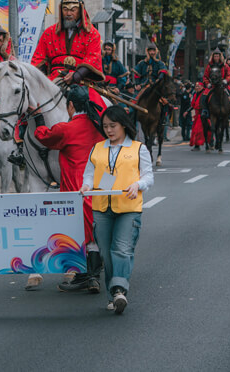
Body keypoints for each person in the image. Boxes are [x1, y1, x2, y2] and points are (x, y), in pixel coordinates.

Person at [80, 105, 154, 315]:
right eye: (105, 126)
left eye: (113, 126)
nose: (109, 130)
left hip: (128, 207)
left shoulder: (139, 148)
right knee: (106, 252)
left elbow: (148, 176)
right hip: (101, 207)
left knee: (122, 249)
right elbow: (89, 174)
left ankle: (119, 290)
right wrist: (86, 186)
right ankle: (113, 296)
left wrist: (137, 185)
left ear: (123, 125)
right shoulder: (97, 148)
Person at [31, 85, 104, 293]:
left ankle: (87, 276)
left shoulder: (67, 128)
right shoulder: (97, 126)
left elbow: (44, 136)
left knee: (79, 233)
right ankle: (93, 275)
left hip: (76, 189)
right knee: (93, 233)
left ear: (70, 105)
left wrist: (38, 119)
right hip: (97, 187)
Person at [31, 0, 105, 86]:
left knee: (96, 102)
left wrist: (77, 75)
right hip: (53, 81)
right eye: (65, 9)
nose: (68, 13)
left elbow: (93, 58)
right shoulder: (49, 33)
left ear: (80, 10)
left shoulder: (92, 34)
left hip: (82, 81)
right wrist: (41, 82)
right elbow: (38, 59)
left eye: (73, 9)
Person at [199, 49, 230, 118]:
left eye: (217, 56)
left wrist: (226, 80)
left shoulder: (225, 66)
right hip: (212, 85)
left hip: (223, 85)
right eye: (215, 56)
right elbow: (205, 76)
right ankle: (205, 110)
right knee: (204, 96)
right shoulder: (209, 66)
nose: (216, 58)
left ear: (220, 56)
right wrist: (207, 83)